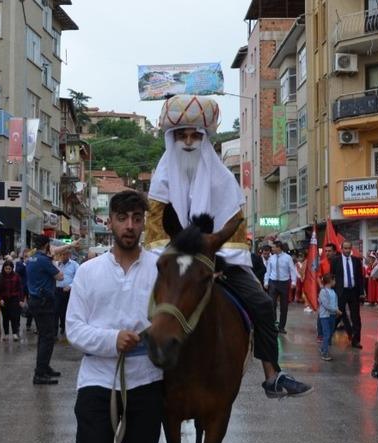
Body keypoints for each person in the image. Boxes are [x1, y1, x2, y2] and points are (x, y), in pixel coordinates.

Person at [145, 95, 311, 398]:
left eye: (195, 135)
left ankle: (272, 375)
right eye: (182, 135)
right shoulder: (161, 180)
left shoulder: (223, 180)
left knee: (261, 304)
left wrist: (214, 264)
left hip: (220, 264)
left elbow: (233, 227)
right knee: (136, 305)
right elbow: (156, 232)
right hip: (172, 265)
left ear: (205, 138)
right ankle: (139, 380)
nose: (188, 141)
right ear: (173, 138)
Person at [67, 190, 164, 443]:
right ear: (110, 222)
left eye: (136, 218)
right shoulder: (88, 271)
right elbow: (74, 328)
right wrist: (112, 340)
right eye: (122, 219)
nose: (130, 226)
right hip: (97, 380)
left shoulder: (160, 268)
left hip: (146, 380)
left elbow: (175, 319)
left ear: (144, 223)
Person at [26, 237, 64, 385]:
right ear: (47, 245)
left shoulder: (32, 258)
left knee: (44, 336)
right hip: (44, 302)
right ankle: (40, 373)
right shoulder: (44, 260)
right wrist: (54, 261)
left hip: (36, 300)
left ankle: (44, 367)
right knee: (47, 338)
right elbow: (60, 276)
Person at [331, 241, 365, 349]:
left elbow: (360, 277)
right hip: (340, 292)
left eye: (348, 248)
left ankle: (356, 340)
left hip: (353, 292)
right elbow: (332, 277)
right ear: (341, 248)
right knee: (337, 315)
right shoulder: (335, 261)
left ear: (351, 249)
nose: (347, 250)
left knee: (355, 317)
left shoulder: (356, 261)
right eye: (345, 248)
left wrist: (361, 292)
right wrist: (332, 292)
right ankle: (328, 336)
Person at [263, 241, 298, 334]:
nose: (272, 249)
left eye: (273, 247)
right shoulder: (271, 258)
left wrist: (294, 281)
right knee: (272, 304)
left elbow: (292, 270)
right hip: (273, 282)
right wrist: (266, 282)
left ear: (279, 247)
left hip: (284, 283)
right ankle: (273, 324)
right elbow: (268, 271)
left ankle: (281, 327)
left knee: (284, 306)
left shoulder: (288, 258)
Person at [0, 260, 24, 341]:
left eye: (9, 269)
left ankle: (15, 333)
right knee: (5, 317)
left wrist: (21, 300)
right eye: (6, 268)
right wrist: (0, 299)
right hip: (4, 300)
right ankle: (6, 334)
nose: (7, 270)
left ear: (12, 268)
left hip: (14, 299)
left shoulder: (16, 276)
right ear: (3, 268)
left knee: (14, 316)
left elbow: (20, 288)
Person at [55, 249, 79, 337]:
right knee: (56, 310)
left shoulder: (74, 265)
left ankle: (64, 327)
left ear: (69, 255)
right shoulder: (57, 264)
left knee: (66, 311)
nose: (63, 256)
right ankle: (55, 332)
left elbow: (78, 278)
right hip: (57, 290)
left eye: (65, 254)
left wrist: (70, 286)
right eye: (61, 254)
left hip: (68, 291)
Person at [318, 274, 342, 362]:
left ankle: (323, 348)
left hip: (332, 315)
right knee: (327, 333)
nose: (335, 282)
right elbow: (326, 305)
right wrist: (336, 310)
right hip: (325, 316)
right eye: (334, 280)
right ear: (330, 281)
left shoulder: (333, 292)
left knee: (330, 333)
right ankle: (325, 352)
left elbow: (335, 302)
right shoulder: (323, 292)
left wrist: (337, 309)